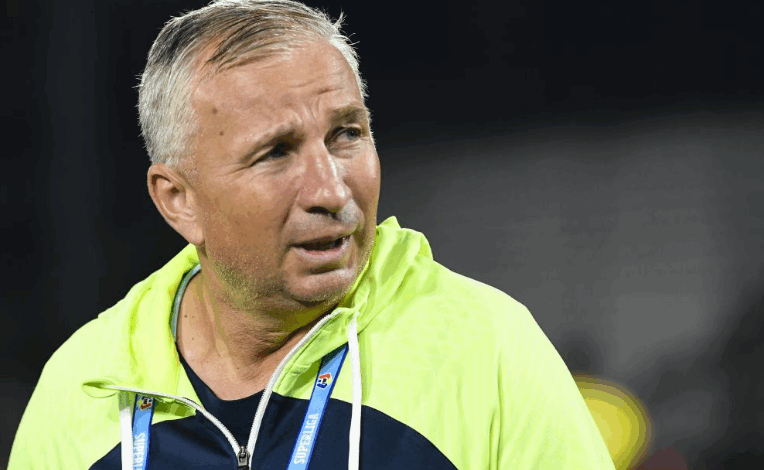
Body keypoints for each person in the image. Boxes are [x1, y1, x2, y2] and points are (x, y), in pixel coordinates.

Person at [10, 1, 616, 469]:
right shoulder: (84, 386)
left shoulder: (486, 348)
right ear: (179, 200)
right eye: (276, 152)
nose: (331, 189)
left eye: (346, 134)